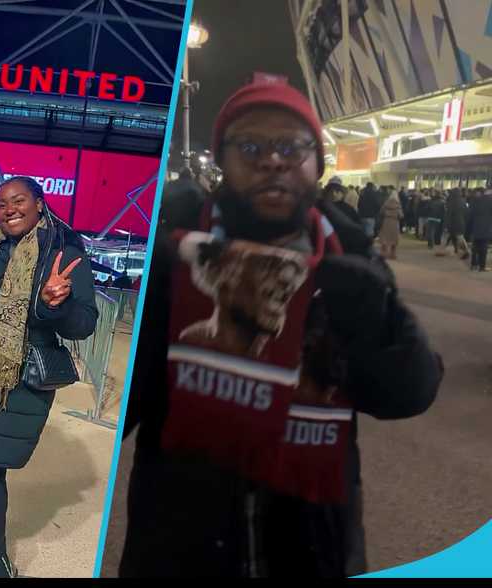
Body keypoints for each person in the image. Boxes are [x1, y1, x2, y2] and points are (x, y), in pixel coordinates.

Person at [117, 74, 441, 578]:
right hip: (178, 544)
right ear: (220, 161)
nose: (272, 160)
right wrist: (152, 303)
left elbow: (410, 394)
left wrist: (379, 321)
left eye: (292, 146)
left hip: (312, 546)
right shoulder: (176, 257)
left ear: (318, 163)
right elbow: (121, 414)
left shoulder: (349, 255)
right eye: (250, 146)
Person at [0, 176, 98, 577]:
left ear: (40, 204)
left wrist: (54, 305)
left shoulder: (63, 251)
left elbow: (84, 323)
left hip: (14, 378)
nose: (9, 209)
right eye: (1, 203)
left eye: (19, 200)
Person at [468, 186, 492, 272]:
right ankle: (482, 267)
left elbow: (470, 215)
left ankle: (474, 265)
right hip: (486, 228)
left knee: (475, 248)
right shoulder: (490, 200)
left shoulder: (474, 201)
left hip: (475, 228)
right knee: (483, 248)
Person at [377, 189, 403, 260]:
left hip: (386, 221)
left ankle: (383, 253)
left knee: (385, 238)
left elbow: (381, 211)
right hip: (395, 222)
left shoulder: (386, 203)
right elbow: (401, 215)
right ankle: (392, 254)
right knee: (394, 239)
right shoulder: (398, 204)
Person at [445, 188, 470, 260]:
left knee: (458, 237)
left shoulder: (451, 202)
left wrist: (446, 225)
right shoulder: (463, 201)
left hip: (453, 222)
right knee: (459, 236)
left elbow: (448, 214)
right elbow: (466, 212)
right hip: (461, 222)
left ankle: (466, 251)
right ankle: (459, 250)